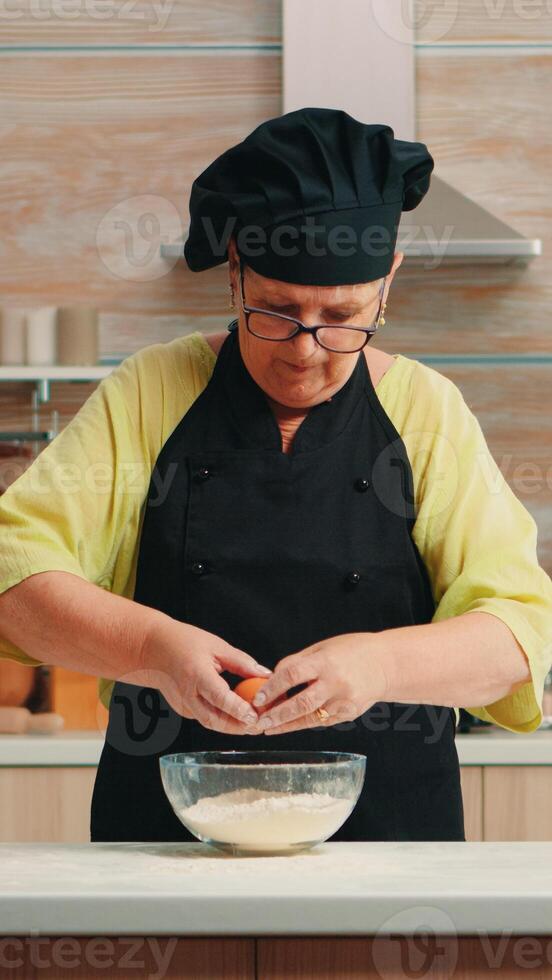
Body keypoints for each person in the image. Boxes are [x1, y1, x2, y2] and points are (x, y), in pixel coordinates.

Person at [0, 108, 551, 843]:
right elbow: (15, 578)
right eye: (277, 313)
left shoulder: (426, 412)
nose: (307, 350)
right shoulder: (152, 392)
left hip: (391, 843)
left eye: (343, 317)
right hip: (167, 844)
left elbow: (517, 635)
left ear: (387, 281)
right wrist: (153, 649)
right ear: (235, 273)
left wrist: (380, 663)